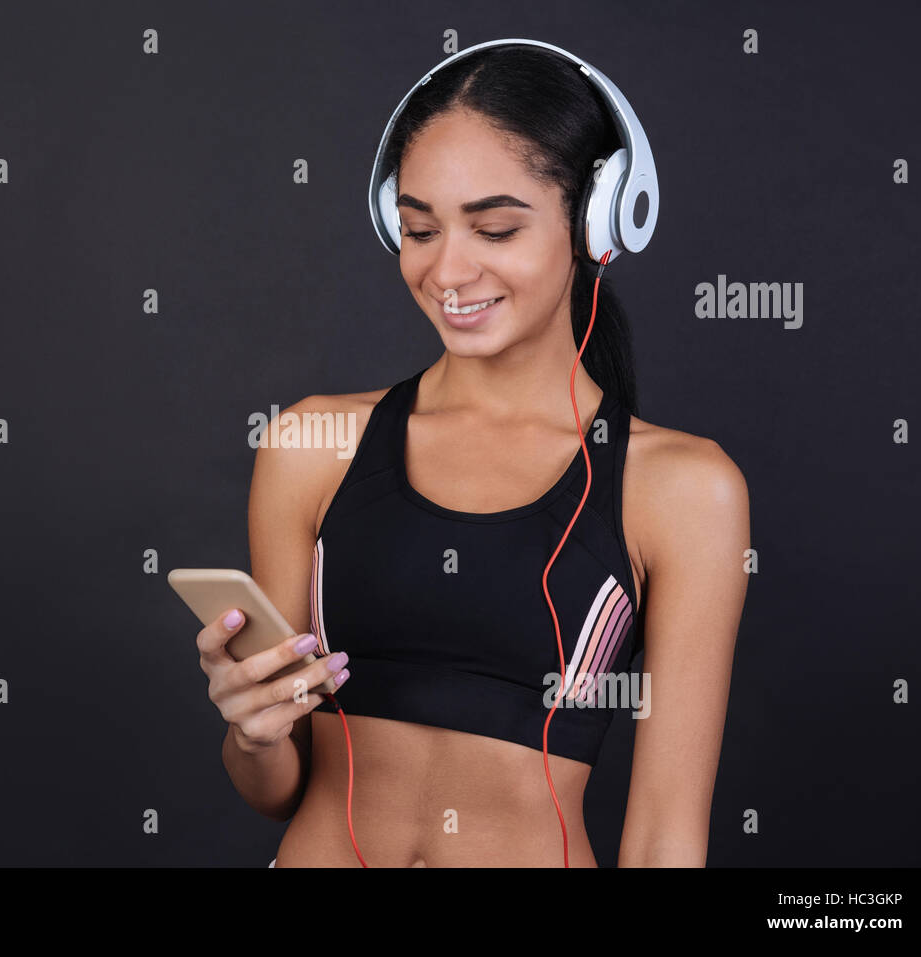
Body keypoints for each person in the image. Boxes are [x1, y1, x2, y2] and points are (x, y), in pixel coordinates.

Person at [195, 45, 749, 867]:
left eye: (494, 228)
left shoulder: (680, 489)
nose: (447, 270)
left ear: (599, 220)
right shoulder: (311, 446)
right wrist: (252, 727)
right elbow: (278, 786)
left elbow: (666, 837)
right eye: (419, 229)